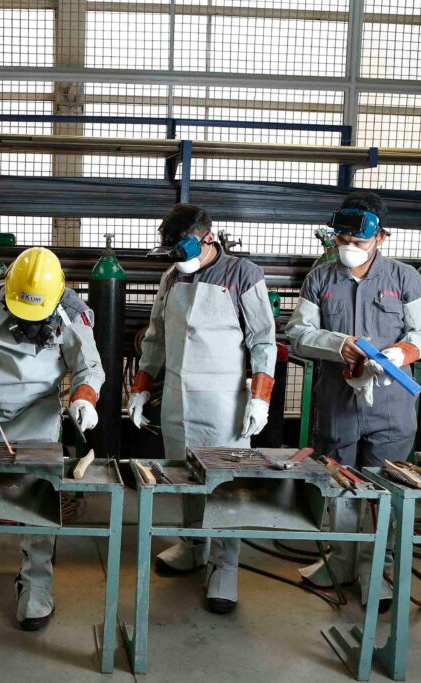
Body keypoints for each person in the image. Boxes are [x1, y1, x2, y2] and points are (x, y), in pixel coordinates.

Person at [0, 246, 104, 631]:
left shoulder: (73, 312)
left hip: (35, 408)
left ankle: (36, 581)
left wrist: (84, 398)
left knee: (37, 491)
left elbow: (89, 367)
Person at [285, 191, 421, 606]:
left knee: (386, 487)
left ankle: (377, 569)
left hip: (391, 404)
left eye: (358, 241)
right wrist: (339, 344)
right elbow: (298, 333)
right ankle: (341, 560)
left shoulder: (405, 279)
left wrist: (401, 353)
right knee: (340, 484)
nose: (349, 247)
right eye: (342, 240)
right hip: (338, 403)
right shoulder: (320, 279)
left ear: (381, 237)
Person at [126, 204, 277, 614]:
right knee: (184, 475)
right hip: (178, 397)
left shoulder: (244, 275)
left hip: (224, 402)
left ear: (209, 238)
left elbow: (263, 341)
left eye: (184, 249)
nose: (179, 259)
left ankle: (225, 565)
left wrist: (260, 397)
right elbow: (155, 338)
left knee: (224, 484)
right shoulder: (172, 277)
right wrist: (141, 388)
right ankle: (193, 545)